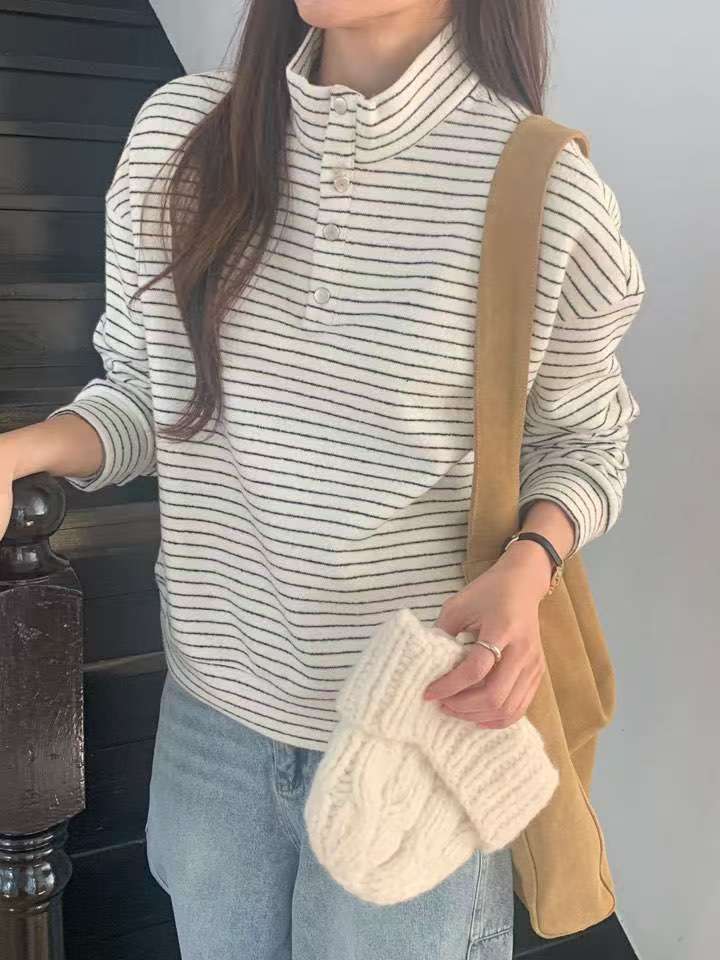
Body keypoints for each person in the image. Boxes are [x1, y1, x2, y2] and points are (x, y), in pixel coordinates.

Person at [0, 1, 645, 957]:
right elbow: (144, 392)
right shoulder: (181, 137)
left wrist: (529, 563)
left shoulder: (542, 189)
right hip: (213, 714)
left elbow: (587, 441)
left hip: (418, 729)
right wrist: (22, 451)